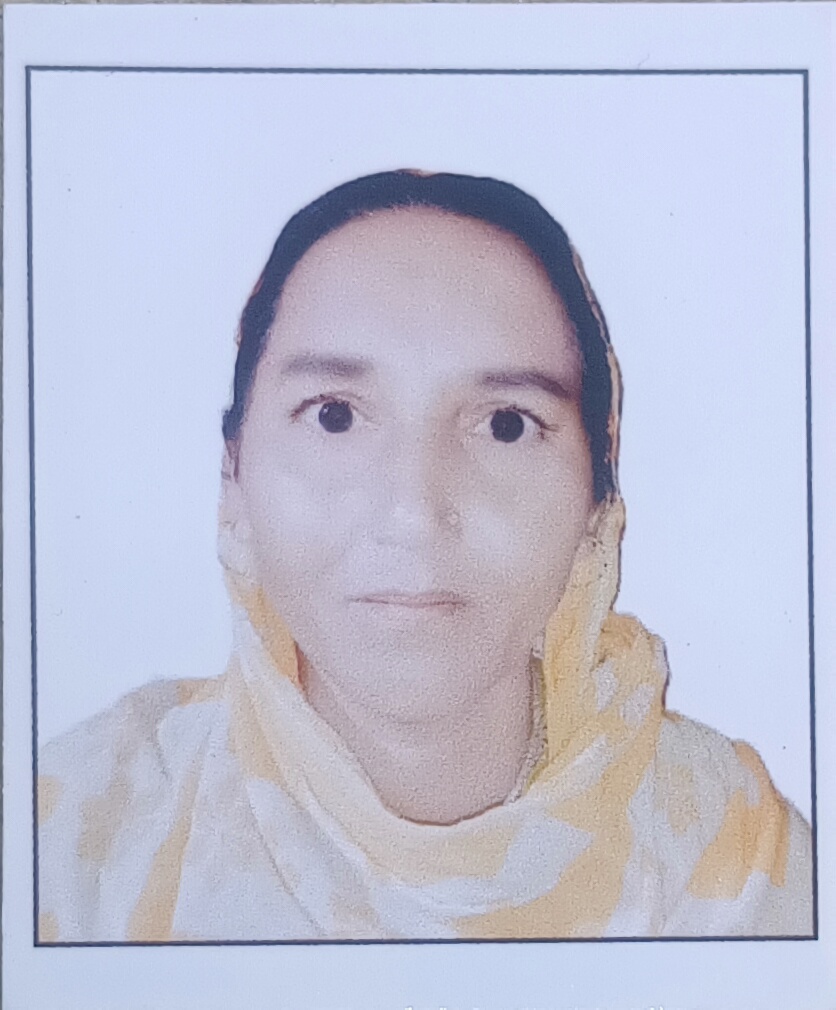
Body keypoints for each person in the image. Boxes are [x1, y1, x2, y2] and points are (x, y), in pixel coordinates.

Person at [37, 170, 812, 942]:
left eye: (506, 424)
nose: (411, 512)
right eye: (335, 416)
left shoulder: (736, 857)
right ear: (232, 476)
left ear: (597, 503)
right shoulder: (77, 845)